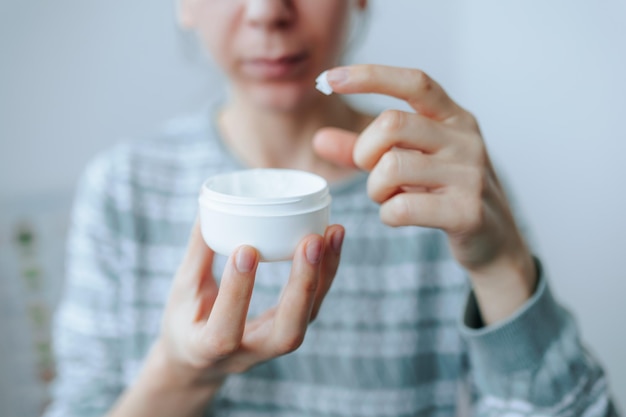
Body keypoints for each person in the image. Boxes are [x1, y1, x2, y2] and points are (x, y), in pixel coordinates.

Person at [44, 1, 619, 416]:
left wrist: (501, 268)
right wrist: (179, 370)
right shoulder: (123, 188)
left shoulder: (440, 187)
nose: (269, 11)